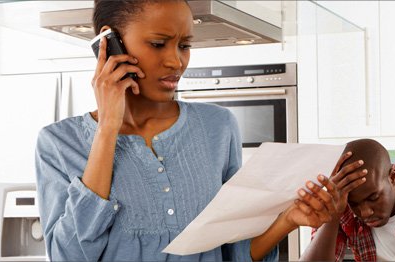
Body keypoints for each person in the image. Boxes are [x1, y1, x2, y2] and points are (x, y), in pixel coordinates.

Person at [34, 0, 340, 260]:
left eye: (185, 45)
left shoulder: (218, 126)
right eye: (158, 44)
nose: (176, 61)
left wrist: (287, 220)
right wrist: (108, 128)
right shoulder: (59, 143)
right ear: (109, 42)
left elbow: (233, 252)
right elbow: (68, 255)